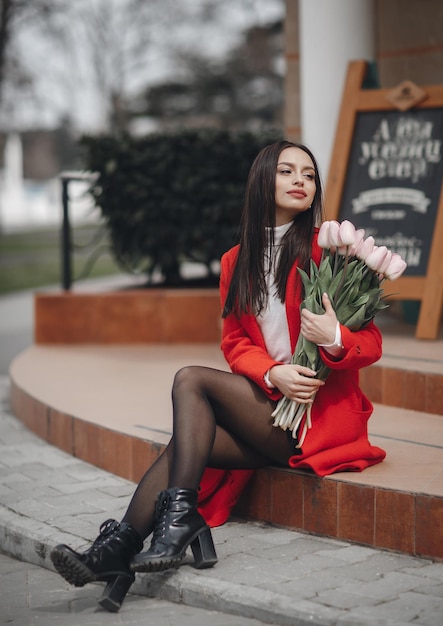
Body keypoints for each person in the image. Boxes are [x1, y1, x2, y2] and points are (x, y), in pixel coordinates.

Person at [50, 140, 385, 612]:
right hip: (271, 408)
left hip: (316, 423)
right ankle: (121, 550)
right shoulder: (236, 260)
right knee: (187, 442)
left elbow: (370, 344)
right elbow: (235, 342)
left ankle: (155, 534)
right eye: (287, 171)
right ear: (262, 181)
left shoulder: (330, 252)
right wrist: (274, 373)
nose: (299, 181)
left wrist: (333, 337)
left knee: (192, 381)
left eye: (308, 175)